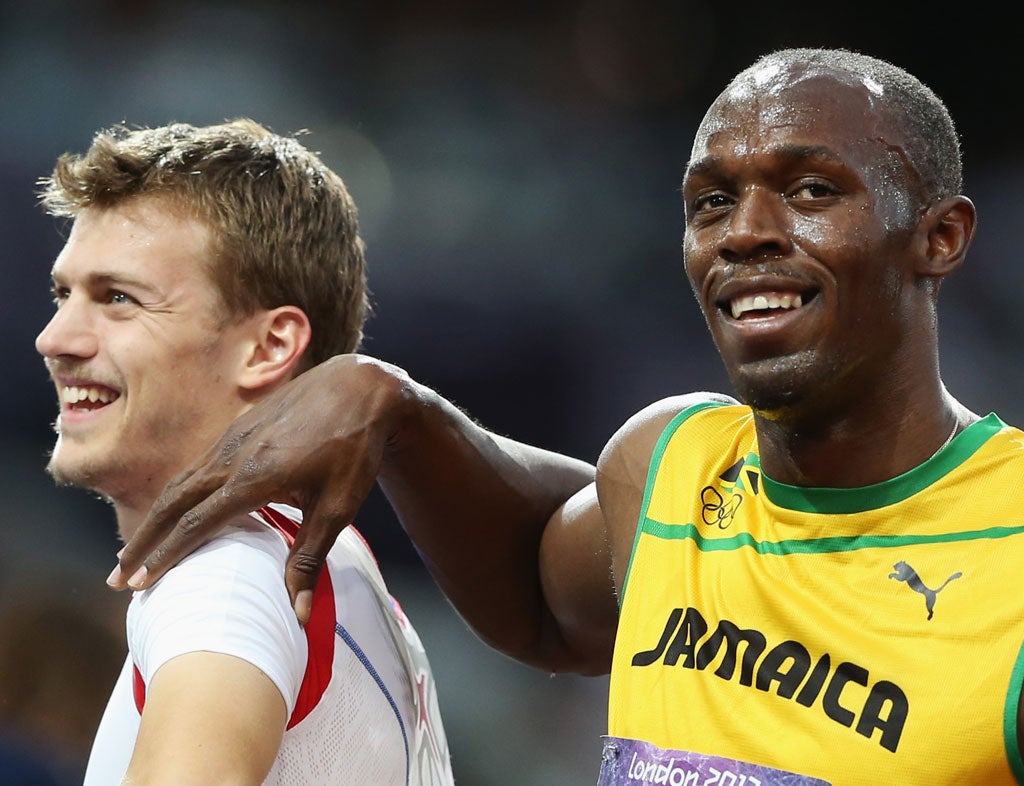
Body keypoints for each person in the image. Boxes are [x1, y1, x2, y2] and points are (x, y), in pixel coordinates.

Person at [106, 49, 1024, 784]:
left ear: (939, 237)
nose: (744, 231)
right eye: (711, 202)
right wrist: (395, 408)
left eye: (812, 190)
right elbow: (543, 604)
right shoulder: (672, 463)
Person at [35, 119, 455, 785]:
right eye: (65, 294)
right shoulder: (321, 563)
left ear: (269, 347)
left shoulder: (223, 580)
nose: (56, 339)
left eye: (118, 299)